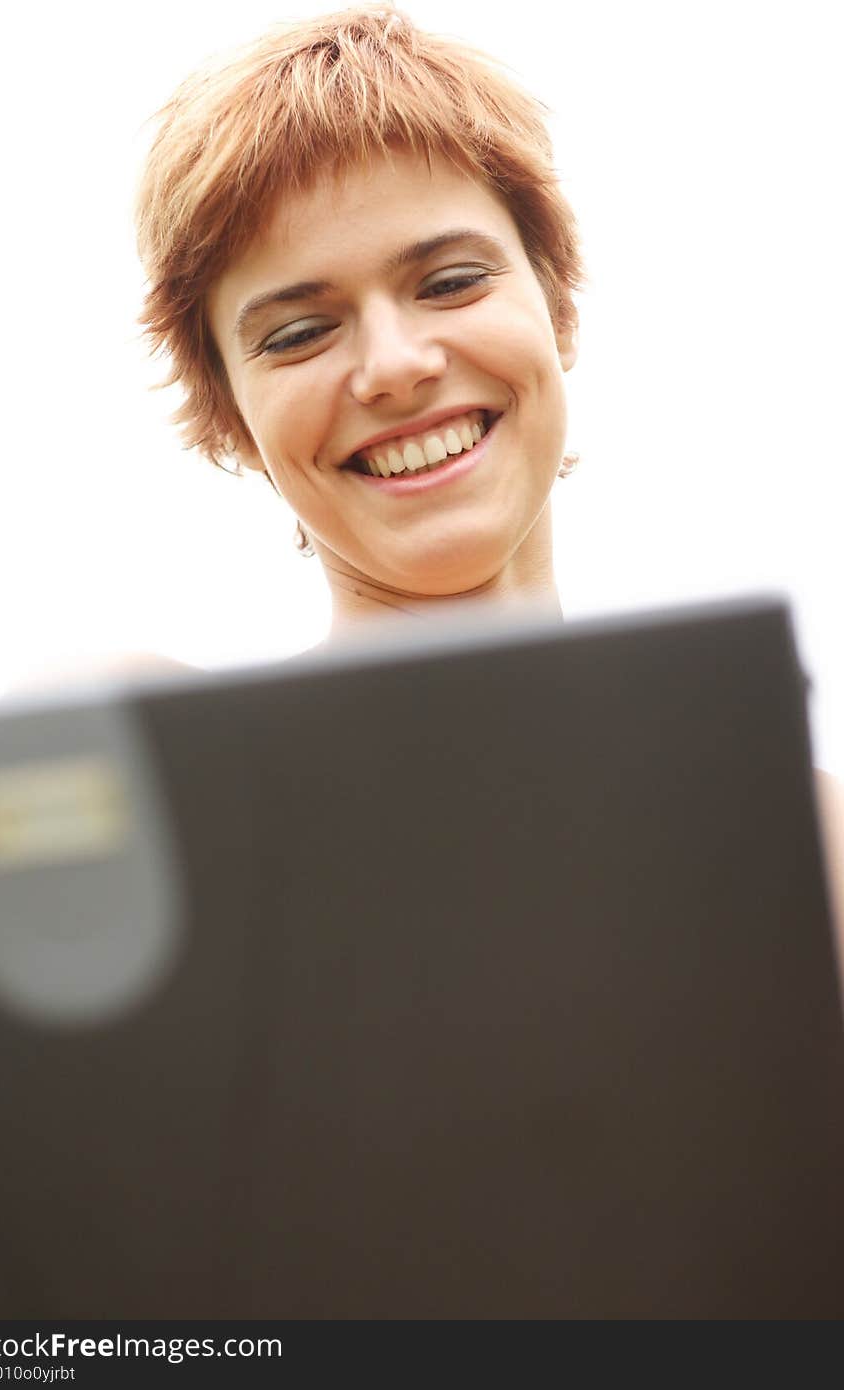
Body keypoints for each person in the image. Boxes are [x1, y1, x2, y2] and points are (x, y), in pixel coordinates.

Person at [132, 4, 844, 948]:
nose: (393, 364)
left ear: (559, 307)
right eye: (299, 333)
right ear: (233, 418)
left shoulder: (806, 842)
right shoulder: (166, 816)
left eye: (451, 281)